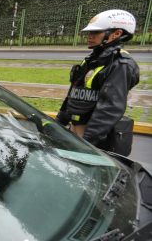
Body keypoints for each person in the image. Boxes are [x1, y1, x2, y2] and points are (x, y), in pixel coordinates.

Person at [56, 9, 140, 153]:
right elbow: (74, 94)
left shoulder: (120, 64)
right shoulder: (91, 59)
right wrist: (58, 123)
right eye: (89, 33)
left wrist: (86, 144)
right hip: (76, 129)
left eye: (96, 33)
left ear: (117, 34)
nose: (89, 36)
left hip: (94, 137)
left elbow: (109, 109)